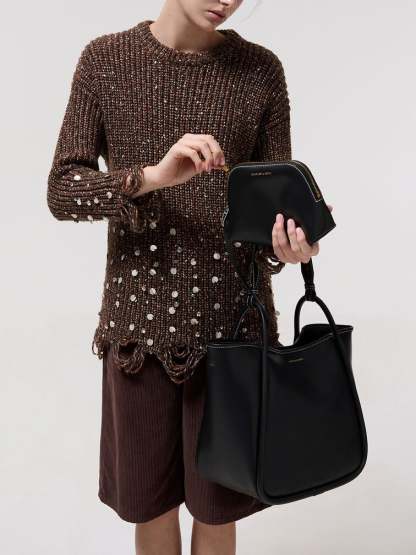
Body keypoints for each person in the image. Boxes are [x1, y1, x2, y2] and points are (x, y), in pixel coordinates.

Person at [47, 1, 332, 553]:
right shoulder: (106, 60)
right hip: (138, 329)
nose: (226, 1)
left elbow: (269, 202)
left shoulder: (260, 70)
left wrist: (290, 243)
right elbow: (63, 190)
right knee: (150, 510)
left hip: (234, 333)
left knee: (218, 512)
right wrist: (154, 177)